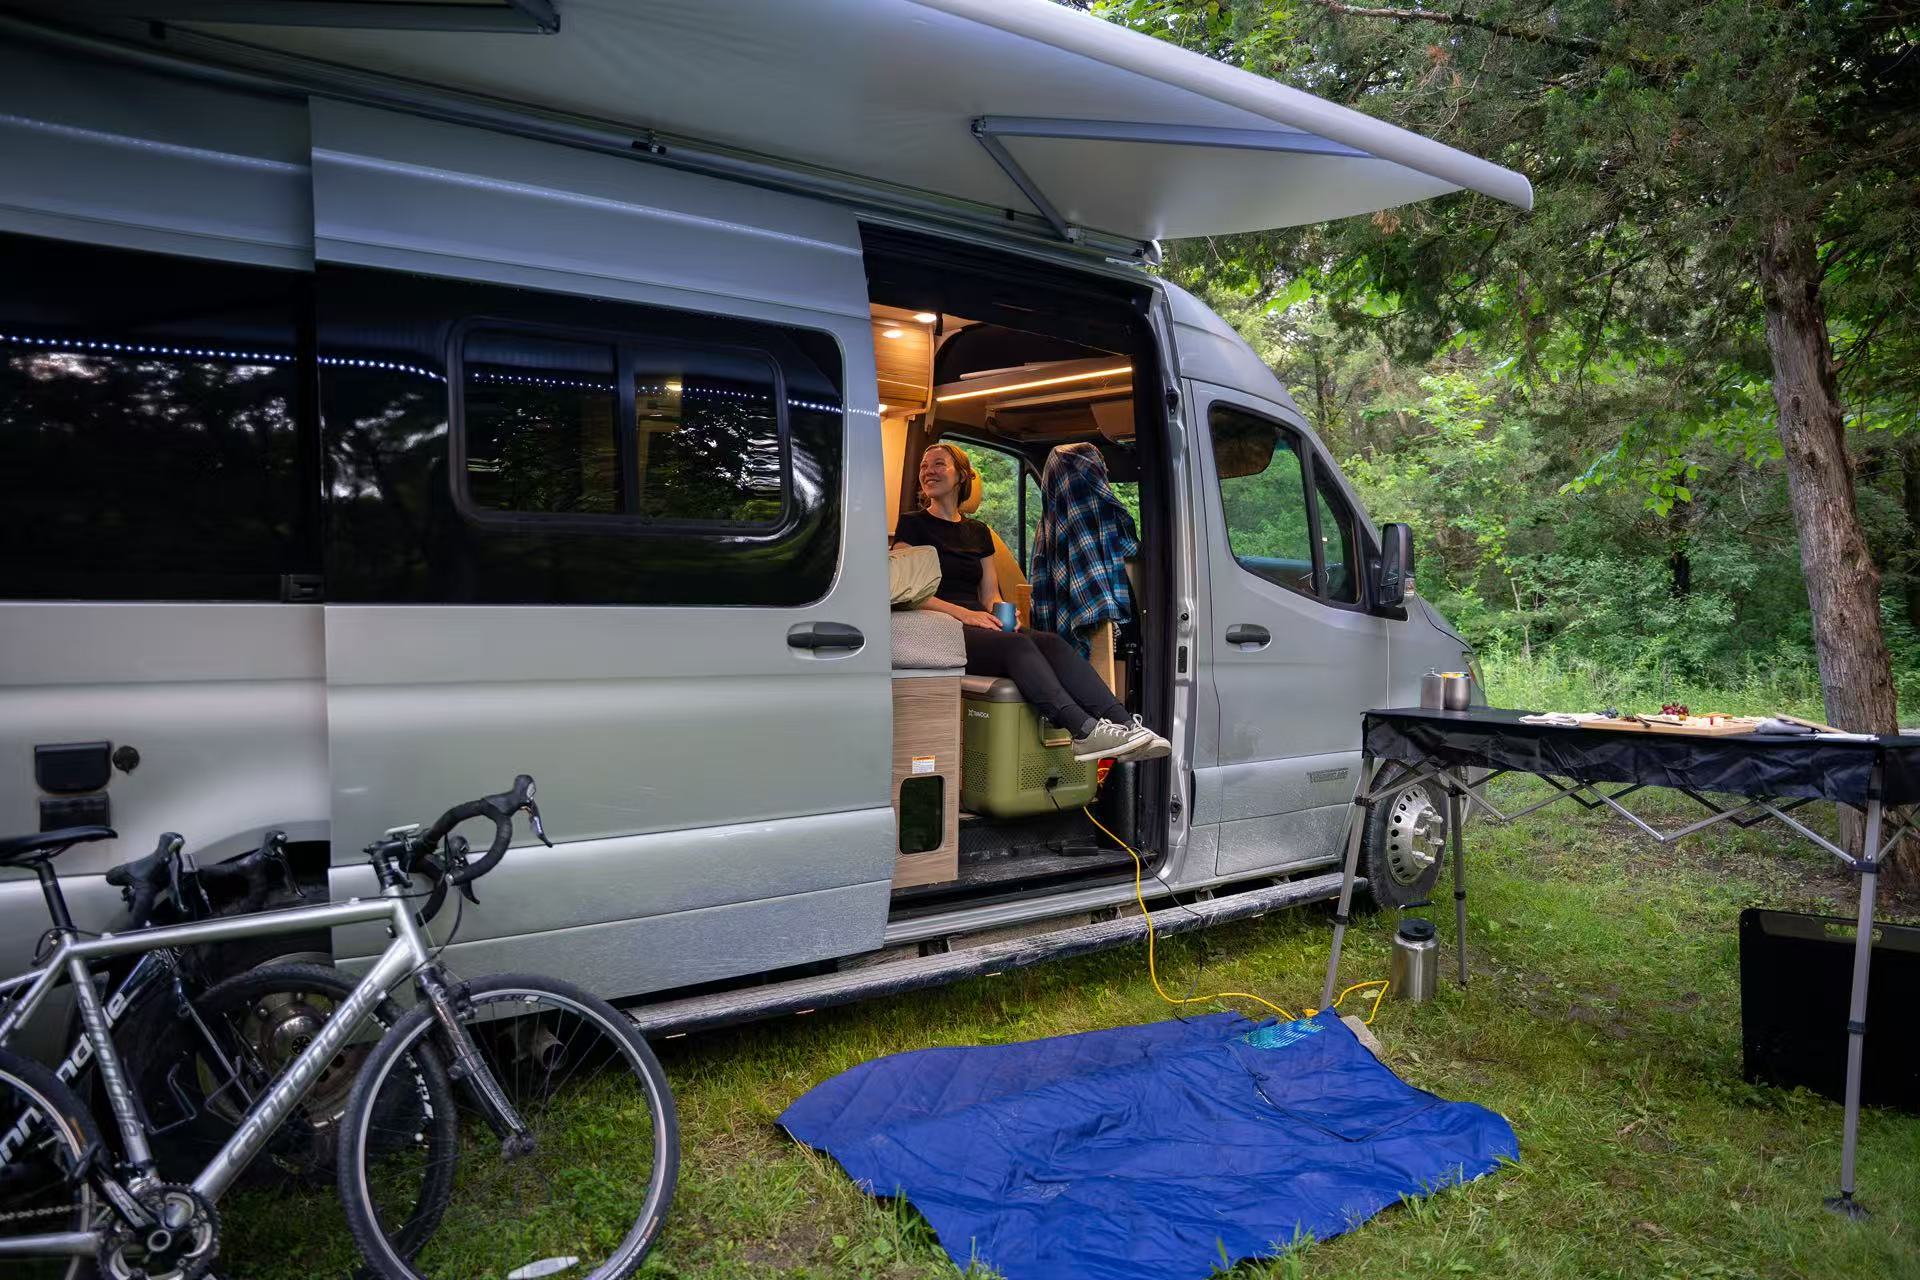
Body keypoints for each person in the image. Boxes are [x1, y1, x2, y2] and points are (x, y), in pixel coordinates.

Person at [895, 442, 1170, 764]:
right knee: (1017, 648)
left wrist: (1004, 618)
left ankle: (1125, 725)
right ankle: (1083, 731)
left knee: (1051, 642)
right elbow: (906, 591)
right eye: (924, 466)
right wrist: (965, 615)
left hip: (977, 622)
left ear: (961, 476)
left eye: (939, 464)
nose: (928, 471)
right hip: (939, 625)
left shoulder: (979, 532)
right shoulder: (911, 525)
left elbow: (988, 595)